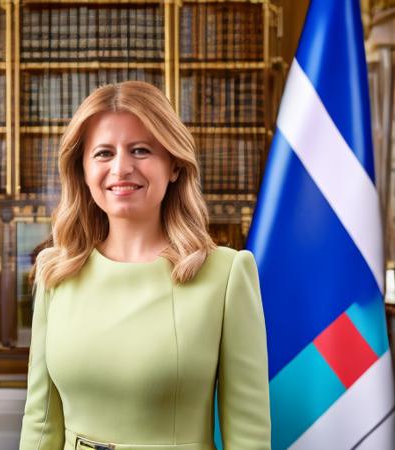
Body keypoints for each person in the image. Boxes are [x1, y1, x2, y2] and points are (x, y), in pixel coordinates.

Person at [19, 80, 270, 450]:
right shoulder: (55, 272)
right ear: (83, 170)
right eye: (103, 153)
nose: (121, 168)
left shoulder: (226, 275)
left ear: (173, 166)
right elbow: (40, 421)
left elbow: (248, 436)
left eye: (140, 150)